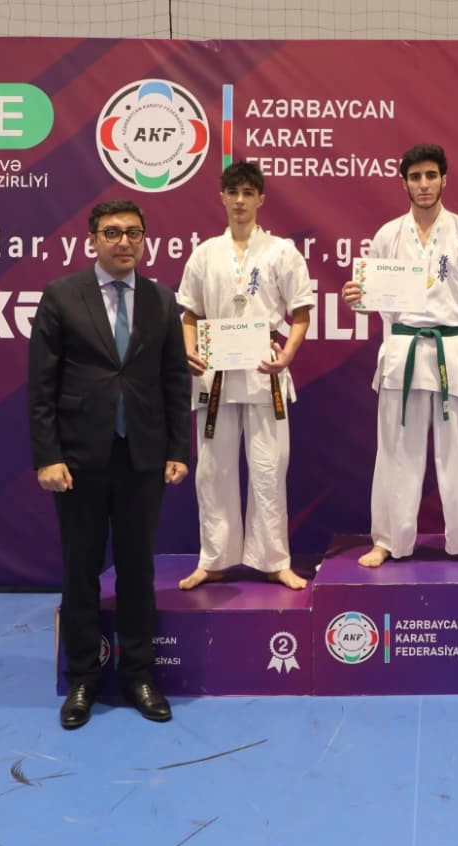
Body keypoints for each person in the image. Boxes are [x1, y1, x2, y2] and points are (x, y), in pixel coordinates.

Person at [28, 199, 191, 730]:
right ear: (92, 240)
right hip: (79, 459)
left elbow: (175, 380)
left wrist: (177, 449)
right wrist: (48, 456)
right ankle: (82, 678)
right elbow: (42, 385)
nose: (124, 241)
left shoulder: (161, 300)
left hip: (143, 457)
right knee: (80, 570)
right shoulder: (61, 295)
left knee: (137, 568)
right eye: (113, 232)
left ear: (145, 240)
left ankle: (139, 674)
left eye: (134, 233)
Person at [339, 143, 458, 568]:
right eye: (415, 177)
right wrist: (356, 297)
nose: (424, 184)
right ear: (405, 183)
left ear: (444, 178)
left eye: (431, 175)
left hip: (453, 351)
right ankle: (388, 540)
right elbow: (372, 298)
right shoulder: (388, 235)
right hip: (402, 350)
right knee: (396, 451)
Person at [175, 161, 314, 592]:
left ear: (260, 199)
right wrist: (189, 349)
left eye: (248, 193)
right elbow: (189, 313)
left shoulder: (281, 251)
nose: (239, 200)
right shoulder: (204, 254)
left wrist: (287, 355)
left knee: (269, 468)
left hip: (263, 371)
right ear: (221, 197)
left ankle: (274, 560)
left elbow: (301, 313)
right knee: (212, 470)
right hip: (215, 374)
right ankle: (214, 559)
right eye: (232, 192)